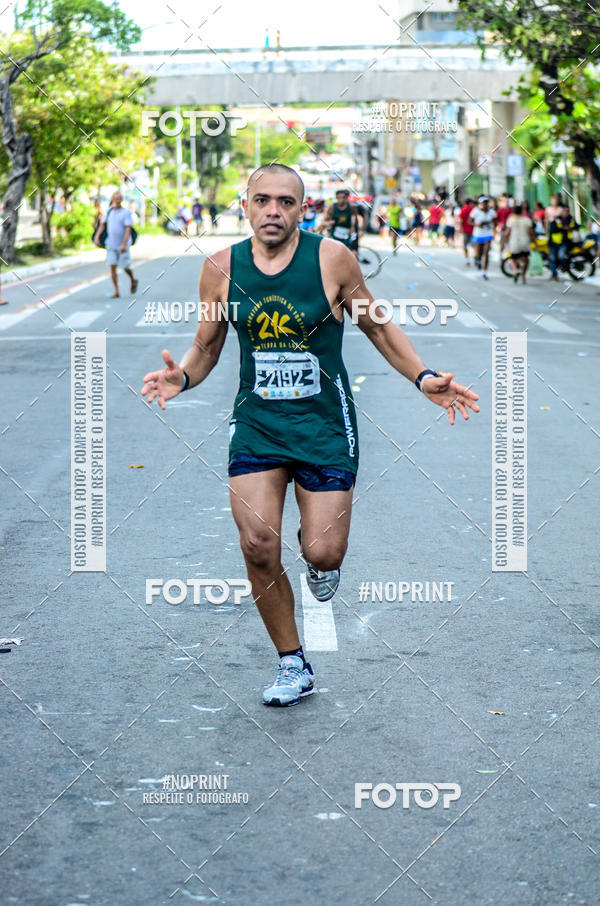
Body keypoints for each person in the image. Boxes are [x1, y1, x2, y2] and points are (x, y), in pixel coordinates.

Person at [141, 163, 480, 708]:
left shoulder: (331, 260)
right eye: (262, 200)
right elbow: (206, 347)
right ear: (245, 205)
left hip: (324, 424)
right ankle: (292, 662)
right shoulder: (220, 267)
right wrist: (181, 376)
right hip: (258, 423)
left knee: (322, 551)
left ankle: (323, 567)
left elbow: (375, 325)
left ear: (303, 208)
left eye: (286, 202)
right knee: (257, 544)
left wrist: (422, 377)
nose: (273, 211)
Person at [93, 191, 138, 298]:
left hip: (123, 245)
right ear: (112, 199)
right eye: (116, 198)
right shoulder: (109, 212)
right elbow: (102, 225)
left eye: (119, 199)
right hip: (111, 244)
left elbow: (128, 229)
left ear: (121, 200)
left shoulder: (126, 212)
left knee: (125, 267)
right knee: (112, 266)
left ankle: (133, 279)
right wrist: (96, 237)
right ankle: (116, 290)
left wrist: (124, 244)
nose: (117, 200)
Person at [320, 188, 363, 258]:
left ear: (346, 198)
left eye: (343, 198)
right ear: (336, 198)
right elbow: (324, 221)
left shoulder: (352, 207)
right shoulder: (332, 207)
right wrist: (328, 223)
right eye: (339, 198)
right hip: (336, 233)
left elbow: (357, 218)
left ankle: (353, 265)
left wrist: (358, 229)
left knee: (353, 253)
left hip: (349, 232)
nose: (341, 200)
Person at [505, 204, 535, 284]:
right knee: (525, 259)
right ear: (522, 211)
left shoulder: (511, 220)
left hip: (514, 242)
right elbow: (531, 232)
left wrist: (504, 242)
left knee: (512, 258)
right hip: (525, 242)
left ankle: (515, 270)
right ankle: (523, 276)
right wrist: (534, 242)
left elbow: (507, 233)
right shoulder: (527, 220)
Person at [547, 204, 578, 280]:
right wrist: (564, 228)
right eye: (564, 211)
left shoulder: (571, 219)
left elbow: (577, 226)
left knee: (562, 256)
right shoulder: (556, 220)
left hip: (564, 242)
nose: (566, 213)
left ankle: (564, 267)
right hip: (553, 243)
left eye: (567, 211)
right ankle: (554, 275)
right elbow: (552, 229)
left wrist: (571, 228)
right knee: (552, 258)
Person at [469, 195, 496, 279]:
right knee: (479, 254)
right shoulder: (475, 211)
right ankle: (478, 260)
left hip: (488, 234)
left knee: (486, 253)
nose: (485, 205)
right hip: (478, 234)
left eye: (486, 203)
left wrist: (493, 226)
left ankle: (484, 272)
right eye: (483, 203)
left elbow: (495, 222)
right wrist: (477, 224)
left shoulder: (492, 212)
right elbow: (469, 221)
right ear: (480, 204)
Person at [459, 197, 475, 263]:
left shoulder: (463, 209)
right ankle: (475, 257)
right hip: (473, 229)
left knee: (465, 245)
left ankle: (467, 258)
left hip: (465, 230)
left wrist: (460, 228)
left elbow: (461, 220)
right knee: (474, 245)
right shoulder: (473, 209)